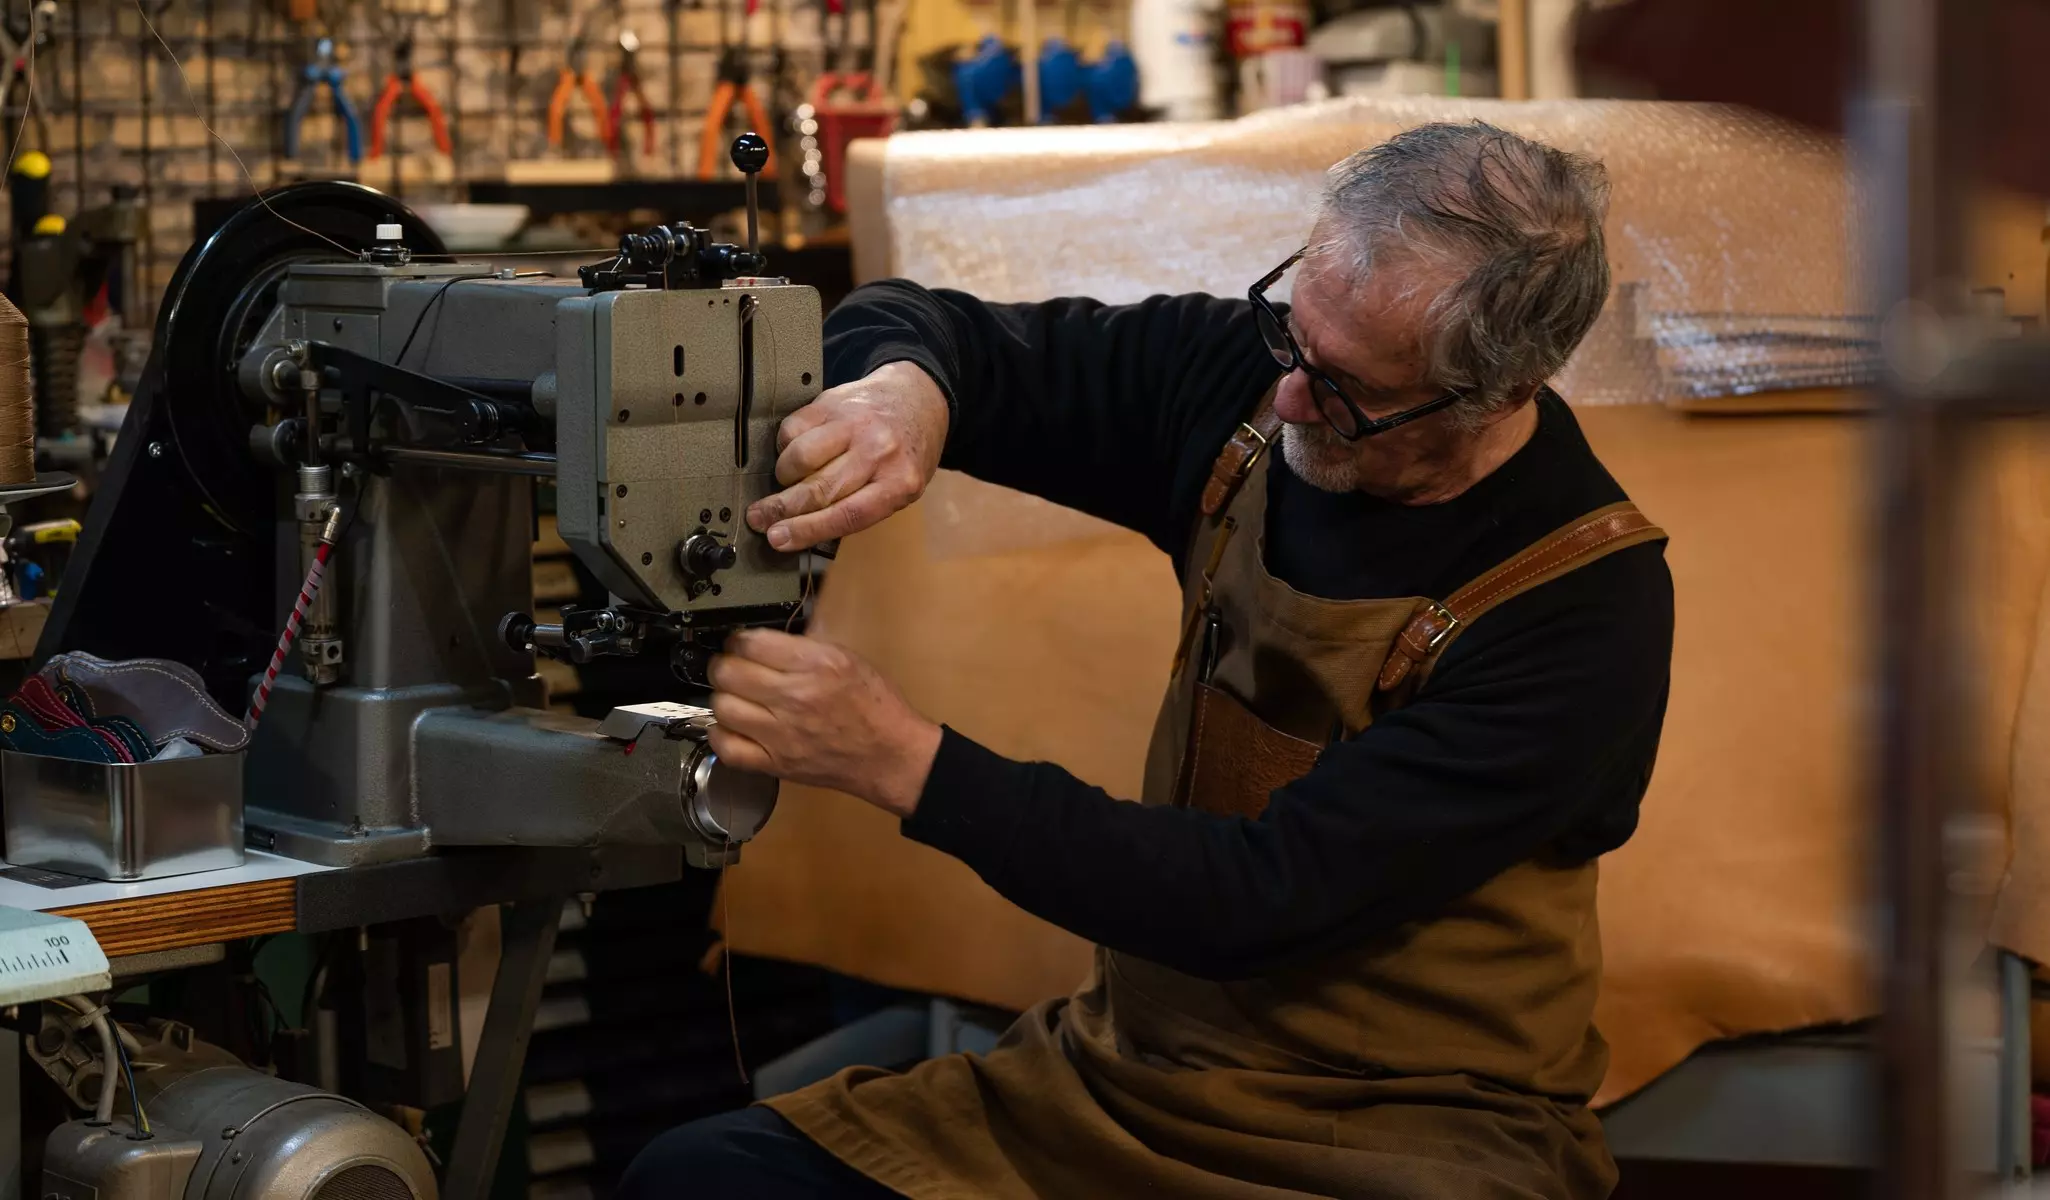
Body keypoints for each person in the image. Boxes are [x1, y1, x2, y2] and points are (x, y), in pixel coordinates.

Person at [620, 120, 1674, 1200]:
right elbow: (937, 328)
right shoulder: (1258, 388)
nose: (1295, 398)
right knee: (699, 1179)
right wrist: (907, 394)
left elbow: (1257, 900)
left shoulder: (1580, 606)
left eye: (1350, 390)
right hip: (1122, 1085)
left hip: (1409, 1134)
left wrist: (898, 759)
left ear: (1500, 391)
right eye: (1291, 333)